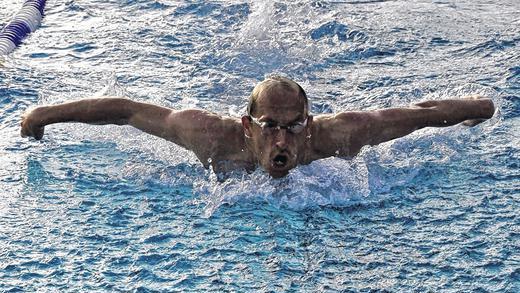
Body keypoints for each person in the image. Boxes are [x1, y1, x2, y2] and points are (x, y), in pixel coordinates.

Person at [20, 75, 495, 178]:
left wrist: (478, 106)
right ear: (248, 126)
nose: (284, 139)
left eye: (294, 126)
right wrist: (42, 115)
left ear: (308, 123)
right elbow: (126, 109)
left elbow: (415, 115)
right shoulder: (211, 136)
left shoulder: (335, 135)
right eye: (271, 125)